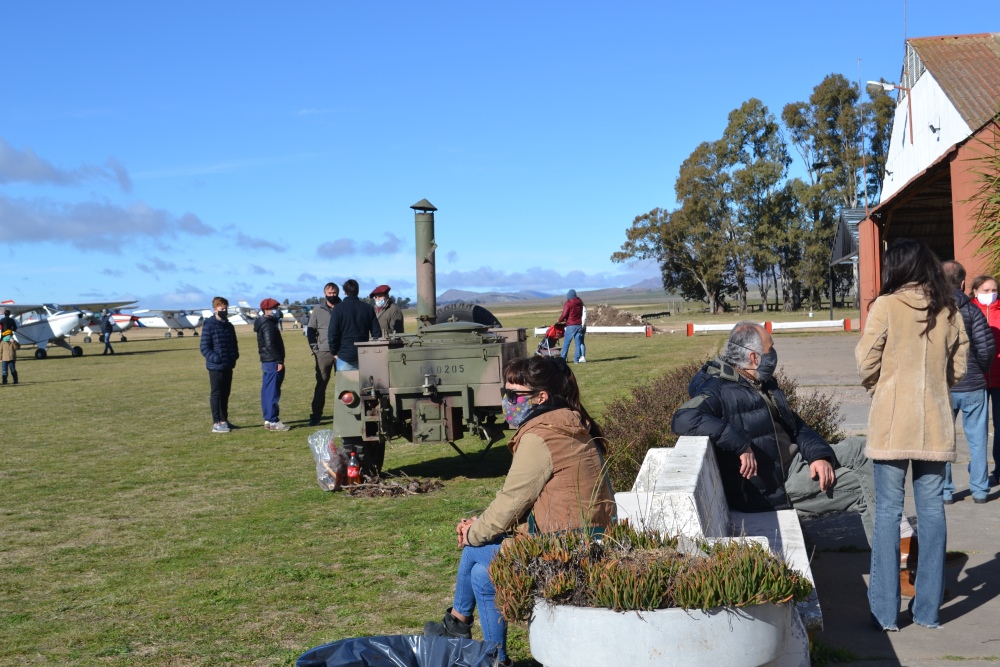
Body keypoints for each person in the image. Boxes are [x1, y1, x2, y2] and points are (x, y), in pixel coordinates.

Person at [423, 356, 615, 666]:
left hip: (567, 547)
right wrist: (479, 525)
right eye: (505, 392)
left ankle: (456, 626)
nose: (507, 401)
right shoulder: (570, 422)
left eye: (515, 395)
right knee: (483, 575)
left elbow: (511, 502)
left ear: (541, 398)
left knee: (474, 551)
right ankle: (494, 658)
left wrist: (472, 531)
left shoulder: (540, 436)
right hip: (589, 538)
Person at [672, 321, 877, 546]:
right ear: (754, 357)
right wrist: (740, 443)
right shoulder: (718, 389)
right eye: (770, 349)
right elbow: (683, 418)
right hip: (776, 484)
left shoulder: (761, 383)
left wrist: (818, 456)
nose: (774, 354)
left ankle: (901, 539)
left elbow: (796, 426)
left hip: (794, 461)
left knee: (863, 448)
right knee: (864, 486)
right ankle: (891, 560)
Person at [856, 239, 968, 631]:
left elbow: (865, 361)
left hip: (890, 420)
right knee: (933, 511)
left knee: (887, 512)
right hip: (935, 421)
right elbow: (960, 367)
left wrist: (880, 387)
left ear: (897, 267)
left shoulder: (885, 306)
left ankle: (886, 614)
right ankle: (928, 612)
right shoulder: (949, 307)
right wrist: (937, 385)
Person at [941, 262, 995, 503]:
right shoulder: (972, 311)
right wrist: (979, 371)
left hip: (944, 386)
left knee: (942, 440)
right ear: (963, 283)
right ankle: (981, 490)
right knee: (978, 440)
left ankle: (944, 491)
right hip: (973, 384)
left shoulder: (933, 310)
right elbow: (986, 349)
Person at [970, 275, 1000, 483]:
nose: (991, 294)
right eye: (986, 290)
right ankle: (977, 471)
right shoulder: (969, 310)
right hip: (976, 380)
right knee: (976, 430)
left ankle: (999, 470)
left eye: (994, 290)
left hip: (999, 378)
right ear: (975, 292)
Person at [200, 296, 240, 433]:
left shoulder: (229, 326)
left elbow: (234, 343)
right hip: (215, 366)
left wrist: (234, 356)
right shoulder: (209, 325)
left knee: (225, 393)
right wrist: (216, 358)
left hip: (228, 364)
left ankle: (224, 420)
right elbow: (204, 347)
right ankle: (216, 422)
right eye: (221, 308)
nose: (224, 310)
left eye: (225, 308)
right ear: (215, 309)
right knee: (216, 394)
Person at [327, 279, 381, 372]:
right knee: (365, 386)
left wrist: (334, 352)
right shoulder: (368, 308)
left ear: (344, 292)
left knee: (346, 386)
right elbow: (377, 333)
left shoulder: (338, 309)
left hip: (344, 355)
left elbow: (332, 333)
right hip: (365, 355)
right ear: (357, 291)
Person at [306, 282, 341, 426]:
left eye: (334, 293)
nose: (332, 295)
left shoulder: (343, 307)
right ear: (325, 293)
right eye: (329, 293)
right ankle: (316, 416)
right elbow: (311, 331)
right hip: (323, 352)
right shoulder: (317, 310)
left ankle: (346, 415)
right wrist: (315, 349)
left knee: (344, 384)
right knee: (321, 384)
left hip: (341, 352)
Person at [255, 297, 289, 431]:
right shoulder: (268, 324)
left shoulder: (264, 323)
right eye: (275, 308)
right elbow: (270, 344)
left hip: (267, 360)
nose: (277, 311)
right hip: (272, 361)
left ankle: (268, 419)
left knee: (267, 391)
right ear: (266, 310)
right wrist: (279, 360)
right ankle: (273, 420)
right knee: (272, 392)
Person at [557, 289, 584, 363]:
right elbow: (581, 313)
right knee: (578, 343)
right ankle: (576, 360)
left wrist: (559, 320)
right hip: (579, 325)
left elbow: (564, 314)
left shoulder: (568, 303)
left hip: (571, 325)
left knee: (566, 343)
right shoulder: (580, 302)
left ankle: (562, 359)